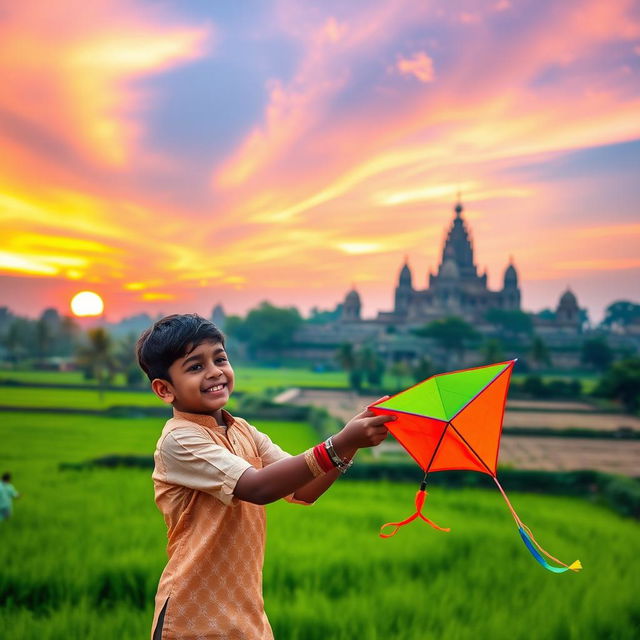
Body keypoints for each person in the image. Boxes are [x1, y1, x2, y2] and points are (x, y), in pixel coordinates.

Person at [136, 314, 394, 640]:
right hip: (193, 617)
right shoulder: (180, 439)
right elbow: (257, 488)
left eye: (220, 359)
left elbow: (304, 490)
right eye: (195, 367)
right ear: (164, 389)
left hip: (247, 616)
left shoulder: (242, 429)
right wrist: (339, 442)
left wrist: (350, 445)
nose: (215, 371)